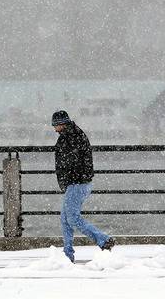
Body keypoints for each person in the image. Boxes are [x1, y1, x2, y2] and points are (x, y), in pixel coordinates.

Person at [52, 109, 115, 262]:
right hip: (77, 183)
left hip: (77, 183)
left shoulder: (71, 137)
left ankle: (103, 239)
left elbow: (70, 162)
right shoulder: (72, 134)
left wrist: (67, 179)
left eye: (55, 126)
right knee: (65, 219)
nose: (54, 129)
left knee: (72, 219)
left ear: (61, 124)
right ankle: (67, 254)